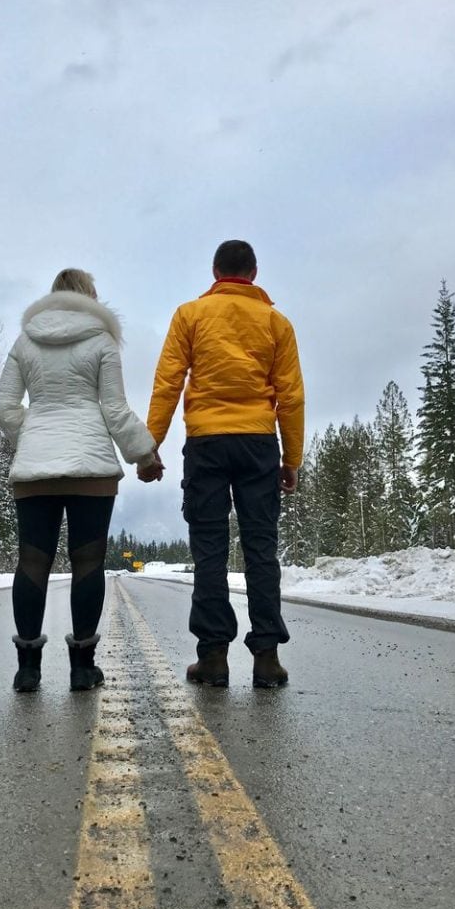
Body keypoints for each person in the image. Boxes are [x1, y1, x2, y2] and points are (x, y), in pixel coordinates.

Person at [144, 240, 304, 688]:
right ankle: (267, 659)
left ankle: (213, 657)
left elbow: (168, 382)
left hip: (207, 444)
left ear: (216, 273)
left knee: (210, 552)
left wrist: (150, 445)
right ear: (253, 273)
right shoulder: (276, 322)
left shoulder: (190, 315)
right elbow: (290, 395)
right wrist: (291, 458)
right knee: (260, 549)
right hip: (258, 444)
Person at [0, 268, 162, 693]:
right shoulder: (101, 341)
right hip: (91, 467)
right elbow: (114, 409)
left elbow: (5, 406)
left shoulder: (25, 341)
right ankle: (82, 669)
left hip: (34, 469)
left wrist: (30, 438)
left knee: (33, 559)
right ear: (90, 297)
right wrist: (144, 454)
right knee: (88, 560)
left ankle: (27, 669)